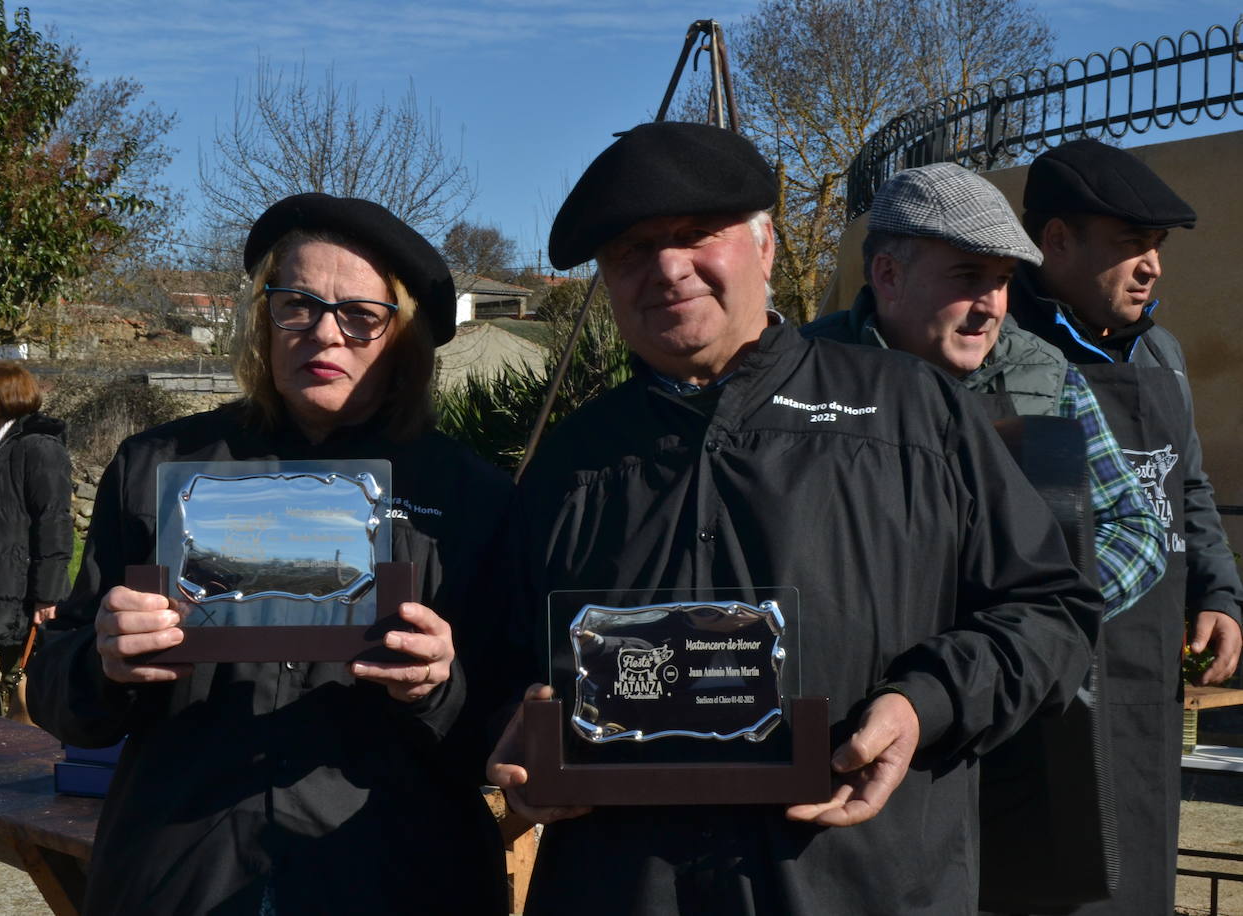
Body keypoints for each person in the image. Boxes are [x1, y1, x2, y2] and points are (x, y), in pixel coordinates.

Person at [488, 121, 1100, 915]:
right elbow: (502, 659)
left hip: (861, 884)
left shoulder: (910, 414)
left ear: (766, 246)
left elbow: (1051, 612)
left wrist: (926, 702)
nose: (667, 268)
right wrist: (513, 738)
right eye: (632, 251)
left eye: (694, 235)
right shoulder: (572, 459)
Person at [27, 193, 513, 915]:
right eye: (299, 304)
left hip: (395, 876)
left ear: (400, 336)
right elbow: (56, 695)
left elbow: (515, 730)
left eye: (359, 315)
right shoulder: (157, 466)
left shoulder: (473, 497)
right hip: (181, 874)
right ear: (263, 317)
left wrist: (442, 688)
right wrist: (101, 663)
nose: (324, 333)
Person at [1008, 138, 1243, 914]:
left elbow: (1192, 486)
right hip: (1044, 677)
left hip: (1150, 673)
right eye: (1132, 245)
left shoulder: (1165, 352)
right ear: (1057, 241)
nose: (1154, 267)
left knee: (1141, 873)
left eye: (1159, 247)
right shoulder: (1005, 352)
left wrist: (1218, 591)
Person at [804, 162, 1164, 620]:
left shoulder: (1049, 378)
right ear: (888, 275)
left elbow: (1135, 528)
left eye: (1002, 280)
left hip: (998, 682)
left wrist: (1037, 619)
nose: (992, 307)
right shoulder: (801, 373)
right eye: (967, 276)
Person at [0, 363, 72, 715]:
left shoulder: (39, 448)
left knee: (17, 678)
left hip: (19, 590)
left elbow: (53, 521)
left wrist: (47, 593)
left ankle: (22, 755)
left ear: (0, 399)